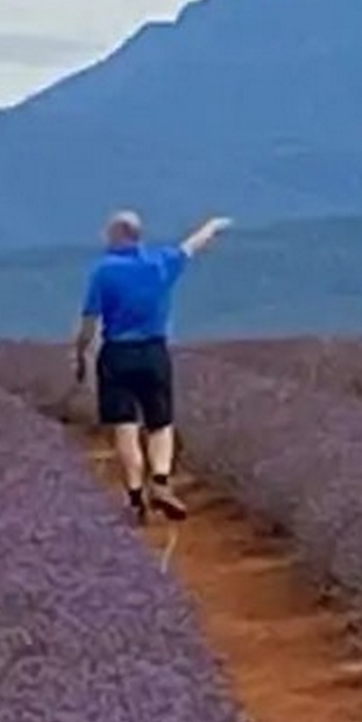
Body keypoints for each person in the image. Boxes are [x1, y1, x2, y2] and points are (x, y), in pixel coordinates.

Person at [73, 208, 231, 521]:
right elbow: (192, 246)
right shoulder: (160, 263)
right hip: (154, 352)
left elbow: (89, 322)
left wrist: (80, 354)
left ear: (115, 235)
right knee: (161, 424)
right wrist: (212, 226)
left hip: (117, 354)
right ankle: (160, 481)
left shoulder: (103, 271)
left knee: (125, 426)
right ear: (138, 235)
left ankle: (135, 496)